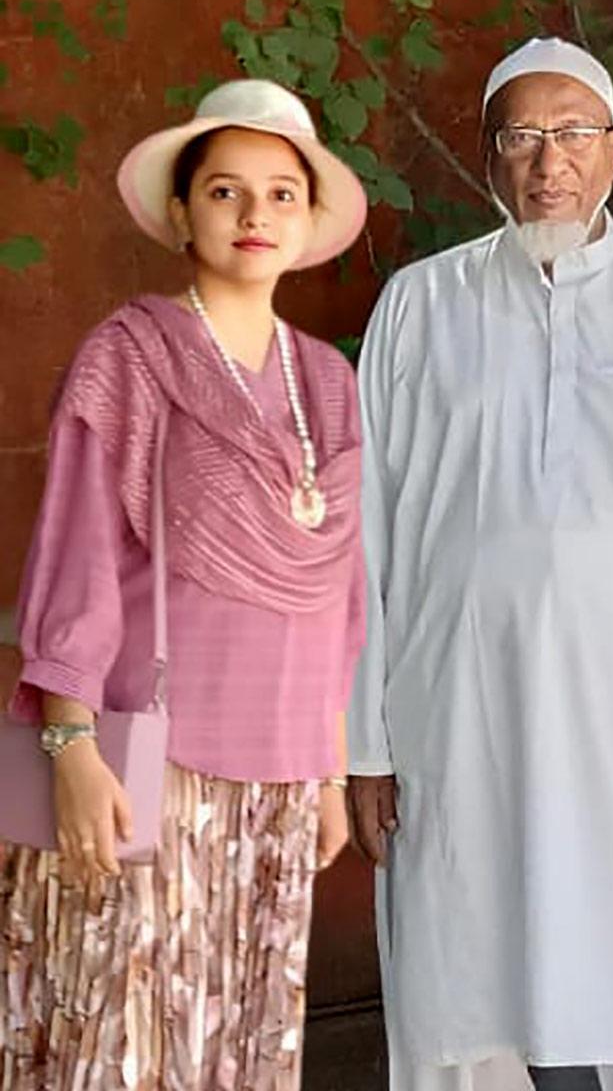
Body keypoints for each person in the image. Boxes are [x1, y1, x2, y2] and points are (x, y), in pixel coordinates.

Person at [346, 37, 613, 1091]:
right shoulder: (418, 308)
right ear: (489, 160)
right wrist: (365, 745)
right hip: (464, 720)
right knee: (472, 1001)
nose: (549, 162)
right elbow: (369, 534)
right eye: (522, 137)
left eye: (573, 133)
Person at [0, 78, 368, 1089]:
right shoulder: (129, 358)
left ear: (307, 218)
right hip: (150, 762)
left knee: (246, 1044)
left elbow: (339, 595)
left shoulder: (328, 381)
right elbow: (73, 556)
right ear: (179, 211)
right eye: (226, 192)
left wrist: (331, 772)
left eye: (280, 194)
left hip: (286, 774)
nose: (255, 216)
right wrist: (70, 746)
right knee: (131, 1046)